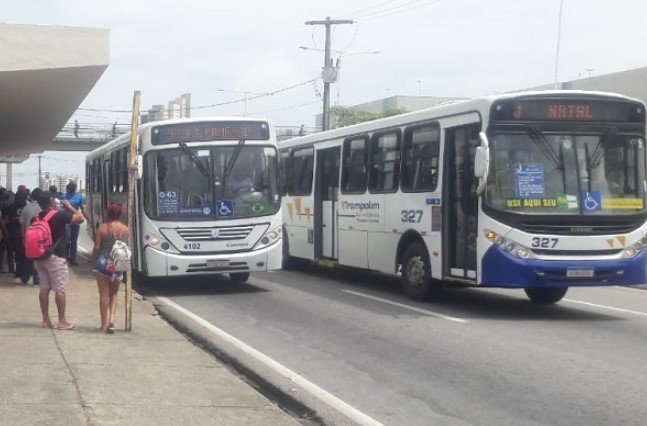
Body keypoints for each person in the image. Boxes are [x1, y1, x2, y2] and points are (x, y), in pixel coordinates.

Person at [34, 191, 84, 330]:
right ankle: (62, 321)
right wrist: (69, 206)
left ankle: (45, 320)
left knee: (44, 287)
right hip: (56, 257)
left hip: (40, 257)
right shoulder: (59, 215)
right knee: (60, 289)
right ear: (51, 203)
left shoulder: (36, 217)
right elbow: (80, 218)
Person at [91, 203, 129, 333]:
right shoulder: (125, 229)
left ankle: (103, 325)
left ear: (108, 213)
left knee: (104, 295)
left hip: (103, 262)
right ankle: (112, 320)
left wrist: (93, 260)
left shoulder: (102, 228)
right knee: (114, 294)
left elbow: (96, 247)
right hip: (118, 264)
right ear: (120, 214)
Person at [19, 187, 43, 285]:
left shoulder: (26, 207)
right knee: (39, 259)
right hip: (41, 237)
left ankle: (24, 277)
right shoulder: (43, 208)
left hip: (29, 237)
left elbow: (22, 225)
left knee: (28, 257)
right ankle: (37, 279)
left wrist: (23, 237)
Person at [60, 181, 88, 265]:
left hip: (75, 222)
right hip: (66, 221)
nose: (73, 188)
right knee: (66, 240)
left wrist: (88, 219)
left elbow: (82, 209)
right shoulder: (63, 196)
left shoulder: (79, 197)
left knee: (74, 241)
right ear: (68, 187)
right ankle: (65, 257)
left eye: (74, 187)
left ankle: (73, 259)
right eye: (71, 187)